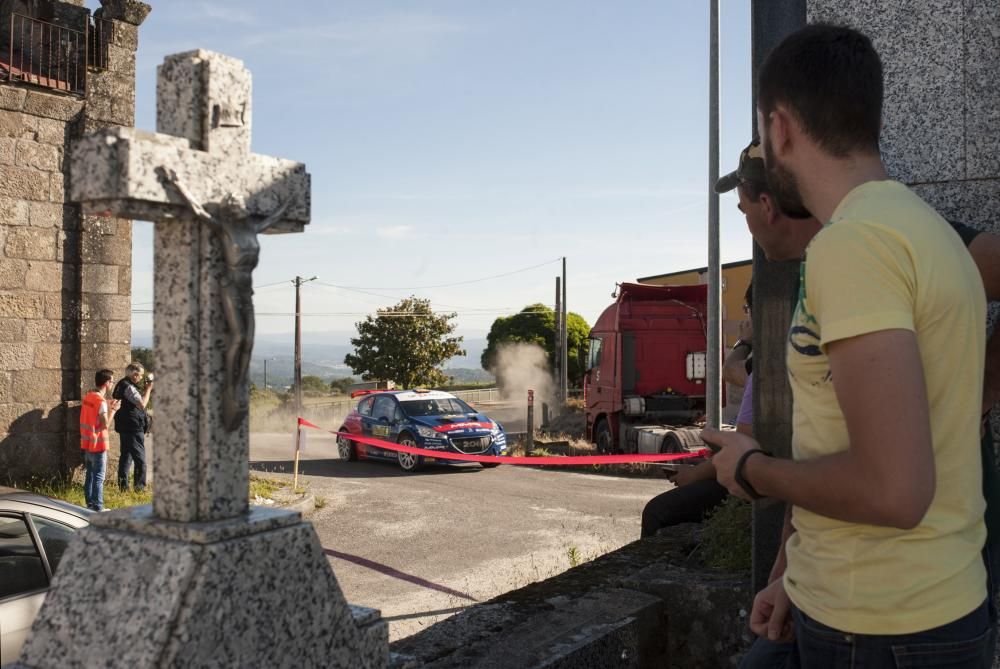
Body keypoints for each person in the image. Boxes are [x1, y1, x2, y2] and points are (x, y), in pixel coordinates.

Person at [705, 25, 991, 666]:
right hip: (881, 606)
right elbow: (840, 437)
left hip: (879, 626)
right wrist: (792, 576)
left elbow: (894, 490)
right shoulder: (925, 231)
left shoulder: (853, 245)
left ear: (779, 129)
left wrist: (749, 469)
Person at [80, 369, 120, 511]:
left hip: (88, 443)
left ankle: (89, 504)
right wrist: (114, 410)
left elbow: (93, 412)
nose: (113, 383)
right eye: (112, 381)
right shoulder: (101, 402)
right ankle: (98, 507)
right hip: (99, 444)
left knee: (89, 476)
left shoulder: (88, 397)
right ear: (107, 383)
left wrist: (107, 404)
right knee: (98, 477)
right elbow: (105, 424)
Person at [113, 362, 153, 492]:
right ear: (135, 375)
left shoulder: (120, 384)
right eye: (140, 375)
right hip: (133, 427)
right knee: (140, 460)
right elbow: (142, 404)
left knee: (126, 457)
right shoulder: (128, 387)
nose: (141, 378)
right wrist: (148, 390)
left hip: (125, 426)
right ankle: (139, 489)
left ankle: (123, 488)